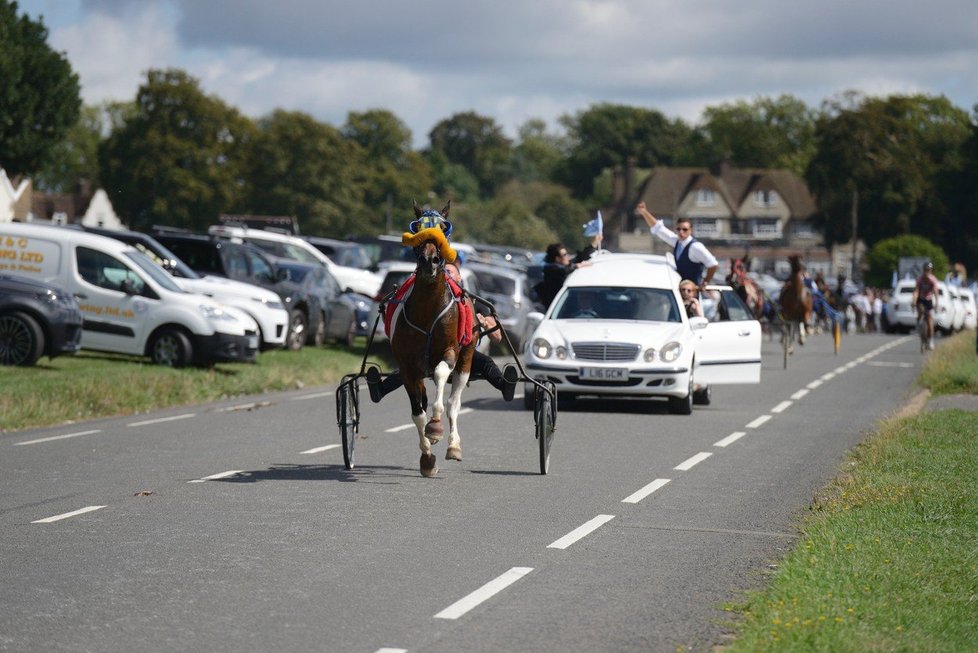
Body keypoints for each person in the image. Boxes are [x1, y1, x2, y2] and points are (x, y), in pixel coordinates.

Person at [366, 260, 519, 402]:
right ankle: (380, 390)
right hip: (432, 353)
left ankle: (505, 386)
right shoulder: (435, 304)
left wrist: (485, 322)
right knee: (408, 367)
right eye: (443, 271)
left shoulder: (474, 302)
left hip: (463, 354)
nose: (446, 274)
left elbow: (497, 337)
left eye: (449, 271)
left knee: (486, 362)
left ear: (458, 277)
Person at [634, 202, 718, 290]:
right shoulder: (677, 242)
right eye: (678, 229)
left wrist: (705, 282)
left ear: (691, 230)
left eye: (685, 229)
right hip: (680, 291)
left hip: (692, 292)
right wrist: (644, 212)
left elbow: (713, 264)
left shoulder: (695, 247)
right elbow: (659, 229)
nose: (681, 232)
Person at [536, 243, 590, 309]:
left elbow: (578, 258)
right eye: (564, 255)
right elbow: (562, 271)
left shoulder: (564, 266)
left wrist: (594, 244)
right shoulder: (550, 270)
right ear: (557, 259)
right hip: (555, 307)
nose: (568, 256)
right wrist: (577, 266)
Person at [912, 261, 939, 350]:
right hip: (921, 299)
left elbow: (935, 292)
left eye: (929, 270)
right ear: (923, 270)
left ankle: (930, 340)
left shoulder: (933, 280)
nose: (928, 271)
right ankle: (918, 324)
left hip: (928, 300)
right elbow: (916, 291)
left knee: (930, 320)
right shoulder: (920, 279)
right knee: (920, 311)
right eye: (926, 270)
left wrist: (937, 303)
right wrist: (913, 301)